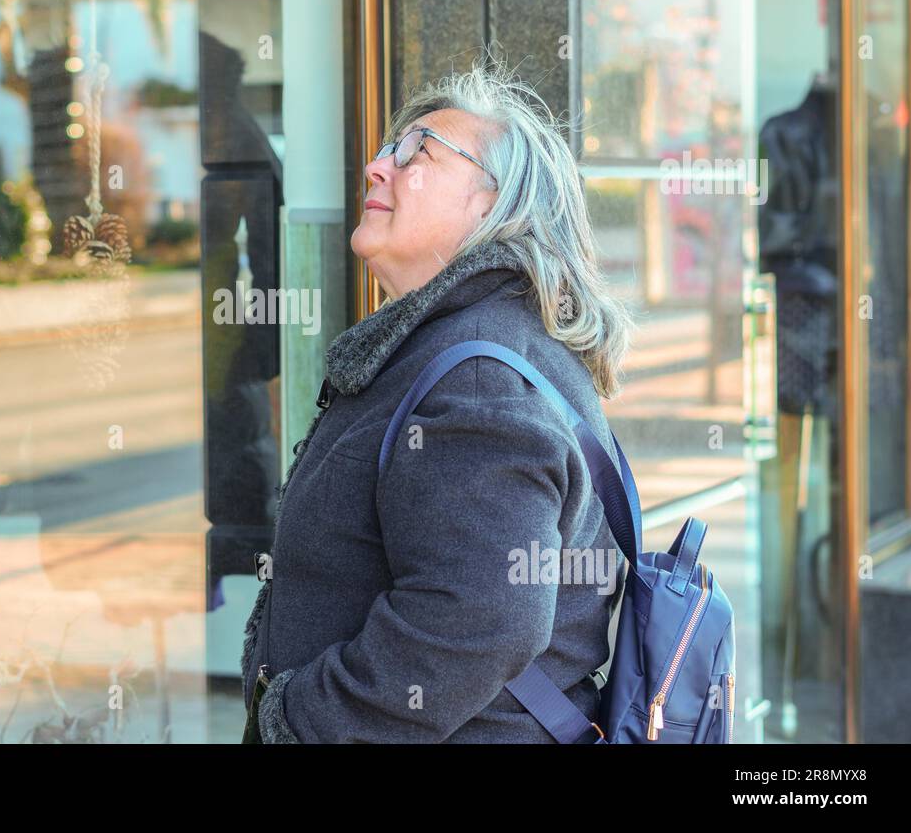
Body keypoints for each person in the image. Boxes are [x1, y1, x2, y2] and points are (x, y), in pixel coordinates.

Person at [240, 60, 635, 742]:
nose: (375, 167)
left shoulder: (479, 377)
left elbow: (479, 620)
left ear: (493, 202)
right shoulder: (472, 340)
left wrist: (302, 720)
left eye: (415, 153)